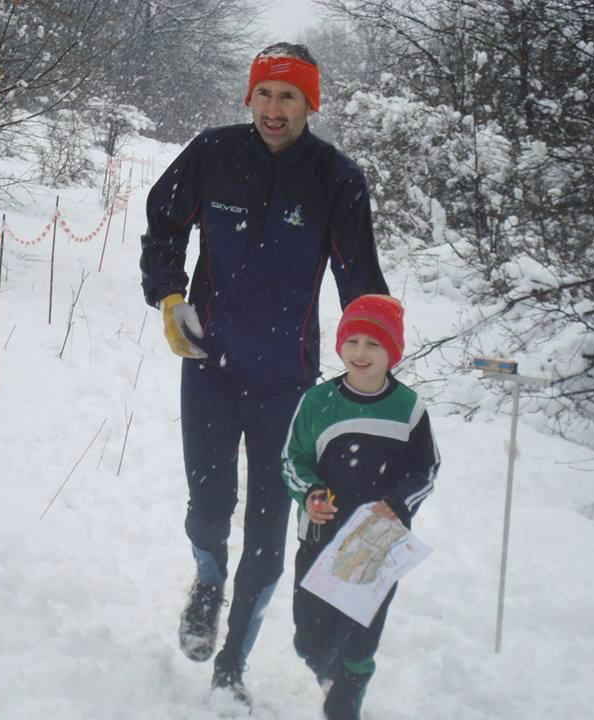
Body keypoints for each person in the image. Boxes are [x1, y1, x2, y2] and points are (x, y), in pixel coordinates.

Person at [140, 42, 389, 707]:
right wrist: (168, 296)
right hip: (210, 368)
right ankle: (207, 579)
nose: (274, 109)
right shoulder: (212, 154)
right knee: (209, 505)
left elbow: (362, 283)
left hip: (288, 382)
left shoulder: (336, 179)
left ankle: (231, 665)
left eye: (290, 97)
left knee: (269, 525)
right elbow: (161, 222)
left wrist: (377, 368)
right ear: (248, 96)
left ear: (312, 103)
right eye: (265, 94)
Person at [282, 294, 440, 720]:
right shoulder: (317, 402)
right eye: (352, 341)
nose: (361, 353)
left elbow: (426, 469)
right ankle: (328, 668)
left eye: (374, 343)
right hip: (319, 535)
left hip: (374, 539)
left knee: (359, 634)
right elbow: (292, 458)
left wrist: (397, 503)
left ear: (392, 351)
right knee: (308, 638)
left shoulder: (408, 409)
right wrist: (310, 492)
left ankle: (350, 689)